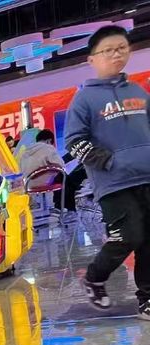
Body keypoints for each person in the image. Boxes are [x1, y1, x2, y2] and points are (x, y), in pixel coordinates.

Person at [66, 25, 150, 315]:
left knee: (149, 239)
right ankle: (94, 277)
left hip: (147, 176)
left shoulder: (138, 92)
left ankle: (147, 298)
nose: (116, 55)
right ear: (92, 59)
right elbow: (74, 141)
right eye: (108, 50)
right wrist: (108, 162)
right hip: (114, 183)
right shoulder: (84, 99)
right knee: (128, 236)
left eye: (122, 48)